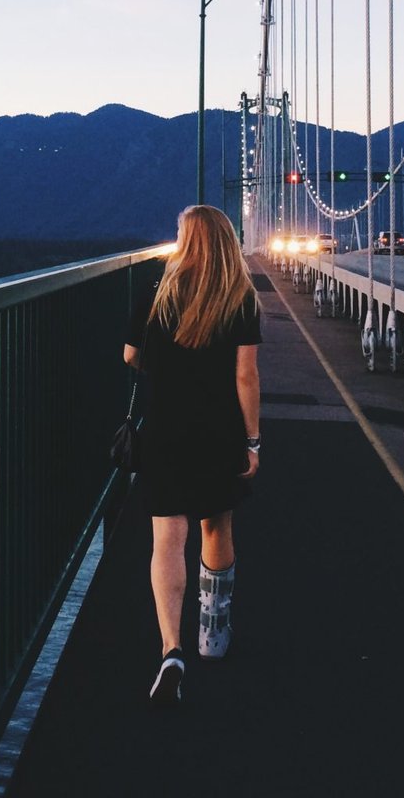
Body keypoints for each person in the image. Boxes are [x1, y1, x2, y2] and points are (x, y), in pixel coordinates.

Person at [123, 205, 261, 707]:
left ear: (186, 241)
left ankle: (171, 649)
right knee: (215, 526)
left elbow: (130, 356)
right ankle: (213, 637)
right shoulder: (240, 296)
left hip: (164, 429)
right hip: (218, 431)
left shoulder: (160, 291)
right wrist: (252, 440)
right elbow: (246, 376)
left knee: (167, 536)